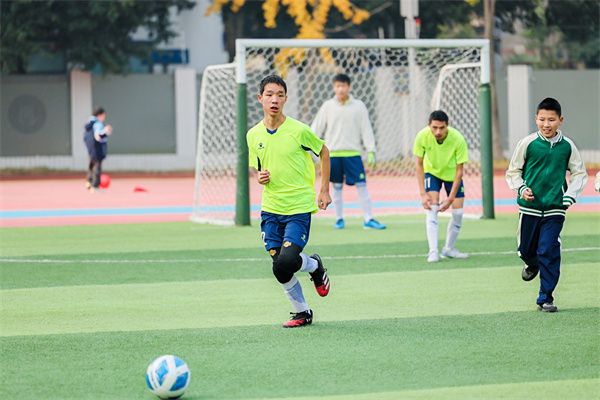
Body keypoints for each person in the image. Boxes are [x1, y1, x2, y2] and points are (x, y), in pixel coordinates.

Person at [247, 75, 332, 328]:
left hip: (298, 208)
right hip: (270, 209)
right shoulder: (253, 135)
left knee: (286, 261)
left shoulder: (299, 130)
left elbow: (323, 151)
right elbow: (258, 168)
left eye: (280, 95)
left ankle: (314, 265)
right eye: (269, 95)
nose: (274, 100)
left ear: (285, 99)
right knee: (280, 268)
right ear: (260, 98)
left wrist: (324, 190)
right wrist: (259, 176)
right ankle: (303, 312)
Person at [506, 97, 587, 313]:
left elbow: (579, 173)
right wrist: (522, 189)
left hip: (555, 209)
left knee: (548, 250)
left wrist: (569, 196)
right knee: (526, 250)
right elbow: (513, 171)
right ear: (536, 119)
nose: (546, 124)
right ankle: (532, 264)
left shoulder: (567, 146)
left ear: (560, 120)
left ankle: (546, 298)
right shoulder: (528, 143)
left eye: (551, 119)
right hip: (529, 209)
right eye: (542, 119)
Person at [310, 73, 386, 230]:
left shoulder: (359, 106)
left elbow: (366, 128)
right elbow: (316, 127)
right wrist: (309, 146)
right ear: (334, 87)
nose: (340, 89)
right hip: (333, 154)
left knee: (362, 185)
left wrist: (371, 150)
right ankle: (339, 219)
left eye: (343, 86)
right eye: (337, 86)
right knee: (336, 187)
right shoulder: (327, 106)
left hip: (353, 154)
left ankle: (368, 219)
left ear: (349, 87)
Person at [414, 110, 469, 263]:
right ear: (429, 125)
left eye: (442, 128)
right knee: (432, 207)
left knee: (458, 212)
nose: (438, 132)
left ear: (448, 125)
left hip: (452, 176)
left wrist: (450, 199)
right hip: (432, 174)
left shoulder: (458, 139)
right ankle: (433, 251)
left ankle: (448, 249)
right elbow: (419, 165)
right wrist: (423, 193)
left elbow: (459, 172)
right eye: (434, 127)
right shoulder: (422, 136)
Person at [84, 107, 113, 193]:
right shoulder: (97, 124)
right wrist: (106, 130)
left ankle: (89, 182)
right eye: (103, 115)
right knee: (97, 167)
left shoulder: (89, 123)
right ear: (99, 115)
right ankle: (95, 186)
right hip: (97, 149)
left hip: (91, 148)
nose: (104, 118)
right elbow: (98, 136)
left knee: (91, 166)